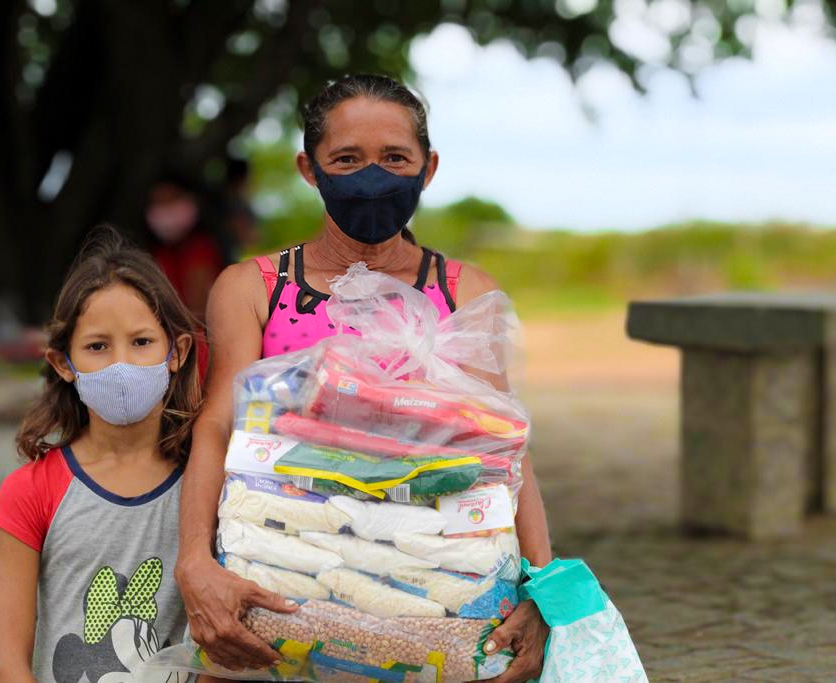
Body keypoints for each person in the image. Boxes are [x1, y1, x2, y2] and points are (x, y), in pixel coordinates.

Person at [174, 74, 554, 683]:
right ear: (309, 168)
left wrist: (543, 587)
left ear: (427, 169)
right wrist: (194, 563)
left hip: (437, 604)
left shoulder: (466, 292)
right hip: (279, 594)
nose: (372, 176)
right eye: (346, 159)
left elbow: (504, 452)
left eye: (394, 158)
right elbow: (217, 426)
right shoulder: (253, 288)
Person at [0, 227, 202, 683]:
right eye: (97, 346)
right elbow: (6, 663)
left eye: (142, 342)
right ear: (64, 364)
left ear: (177, 352)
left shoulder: (209, 484)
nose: (121, 363)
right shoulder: (29, 491)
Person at [145, 176, 224, 322]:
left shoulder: (200, 248)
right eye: (159, 202)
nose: (165, 209)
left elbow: (198, 307)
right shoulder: (159, 254)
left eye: (171, 199)